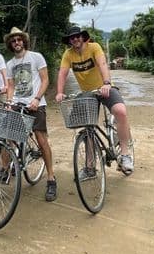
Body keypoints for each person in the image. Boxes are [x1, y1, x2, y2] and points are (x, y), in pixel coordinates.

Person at [55, 25, 134, 175]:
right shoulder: (68, 54)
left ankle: (125, 155)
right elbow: (62, 73)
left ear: (83, 37)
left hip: (103, 87)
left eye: (77, 36)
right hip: (87, 93)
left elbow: (103, 64)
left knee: (120, 111)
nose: (75, 39)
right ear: (69, 41)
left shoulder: (94, 47)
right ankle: (90, 167)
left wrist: (106, 83)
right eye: (72, 38)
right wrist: (59, 92)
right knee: (87, 128)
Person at [3, 26, 58, 202]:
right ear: (10, 44)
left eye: (18, 39)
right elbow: (11, 86)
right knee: (8, 136)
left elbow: (45, 80)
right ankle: (4, 170)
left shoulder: (36, 57)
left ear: (23, 41)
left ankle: (51, 178)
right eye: (13, 40)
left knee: (41, 140)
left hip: (36, 104)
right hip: (18, 103)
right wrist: (9, 102)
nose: (16, 42)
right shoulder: (10, 64)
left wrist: (36, 98)